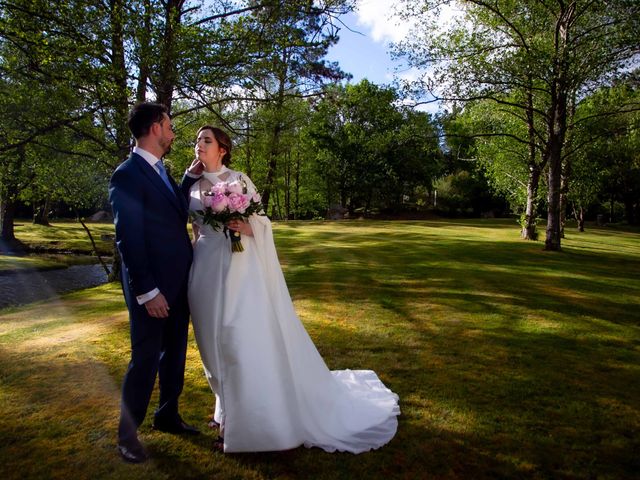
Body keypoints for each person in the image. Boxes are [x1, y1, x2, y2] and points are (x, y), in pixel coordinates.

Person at [187, 125, 400, 453]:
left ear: (222, 149)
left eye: (206, 140)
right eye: (197, 140)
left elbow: (263, 220)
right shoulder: (192, 183)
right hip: (204, 267)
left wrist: (247, 226)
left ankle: (235, 421)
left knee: (233, 340)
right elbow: (192, 226)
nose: (198, 145)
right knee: (208, 343)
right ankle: (222, 404)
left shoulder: (240, 179)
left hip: (237, 270)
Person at [109, 102, 202, 463]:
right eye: (169, 125)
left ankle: (167, 415)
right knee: (145, 359)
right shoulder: (127, 174)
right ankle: (127, 436)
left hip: (178, 283)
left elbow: (172, 210)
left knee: (175, 353)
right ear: (153, 129)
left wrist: (189, 179)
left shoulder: (161, 169)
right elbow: (129, 238)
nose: (173, 131)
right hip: (152, 289)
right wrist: (148, 291)